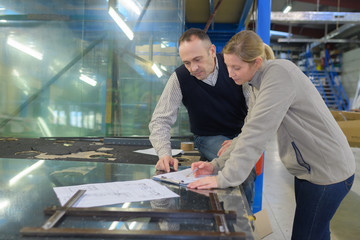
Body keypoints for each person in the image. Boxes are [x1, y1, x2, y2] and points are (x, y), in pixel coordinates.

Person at [187, 30, 356, 240]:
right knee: (318, 233)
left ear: (256, 63)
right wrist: (216, 164)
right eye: (229, 66)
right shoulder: (258, 83)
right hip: (309, 171)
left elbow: (257, 134)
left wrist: (224, 178)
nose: (230, 74)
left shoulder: (278, 76)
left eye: (236, 67)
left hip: (328, 172)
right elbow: (248, 130)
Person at [149, 28, 257, 208]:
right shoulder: (180, 78)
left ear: (212, 51)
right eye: (187, 62)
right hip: (208, 137)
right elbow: (160, 120)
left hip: (240, 134)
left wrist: (240, 140)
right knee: (237, 164)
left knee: (242, 167)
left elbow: (255, 112)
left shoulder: (234, 67)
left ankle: (242, 227)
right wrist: (164, 154)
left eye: (198, 59)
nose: (193, 68)